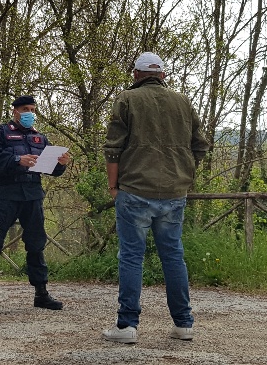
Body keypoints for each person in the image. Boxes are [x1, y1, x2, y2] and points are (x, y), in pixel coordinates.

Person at [100, 52, 210, 344]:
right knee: (173, 256)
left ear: (136, 75)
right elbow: (200, 146)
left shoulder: (127, 99)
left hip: (134, 191)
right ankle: (183, 324)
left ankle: (127, 326)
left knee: (131, 257)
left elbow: (113, 148)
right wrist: (183, 175)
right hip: (174, 193)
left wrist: (113, 187)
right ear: (163, 75)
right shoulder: (183, 101)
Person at [0, 95, 71, 312]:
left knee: (36, 244)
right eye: (25, 109)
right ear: (15, 111)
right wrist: (17, 160)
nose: (30, 113)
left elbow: (52, 169)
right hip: (7, 195)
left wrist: (61, 164)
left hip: (33, 195)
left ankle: (41, 293)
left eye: (32, 109)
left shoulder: (39, 138)